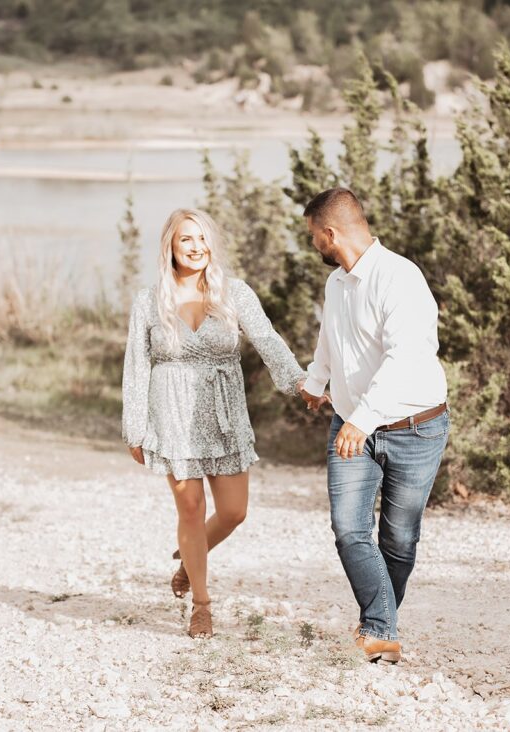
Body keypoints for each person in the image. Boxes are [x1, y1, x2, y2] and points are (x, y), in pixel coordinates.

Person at [122, 208, 306, 639]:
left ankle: (189, 559)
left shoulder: (234, 293)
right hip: (171, 415)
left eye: (203, 239)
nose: (196, 247)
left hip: (224, 414)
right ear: (170, 244)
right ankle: (201, 605)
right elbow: (137, 364)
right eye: (187, 239)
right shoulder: (149, 301)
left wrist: (298, 381)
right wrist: (134, 426)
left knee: (234, 512)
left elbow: (266, 339)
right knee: (190, 508)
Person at [298, 187, 449, 663]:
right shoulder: (336, 283)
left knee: (399, 538)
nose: (313, 247)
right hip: (352, 425)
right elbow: (331, 338)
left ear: (330, 233)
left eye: (313, 238)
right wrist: (316, 380)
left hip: (415, 427)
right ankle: (381, 628)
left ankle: (378, 624)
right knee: (348, 529)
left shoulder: (400, 278)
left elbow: (405, 358)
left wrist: (362, 419)